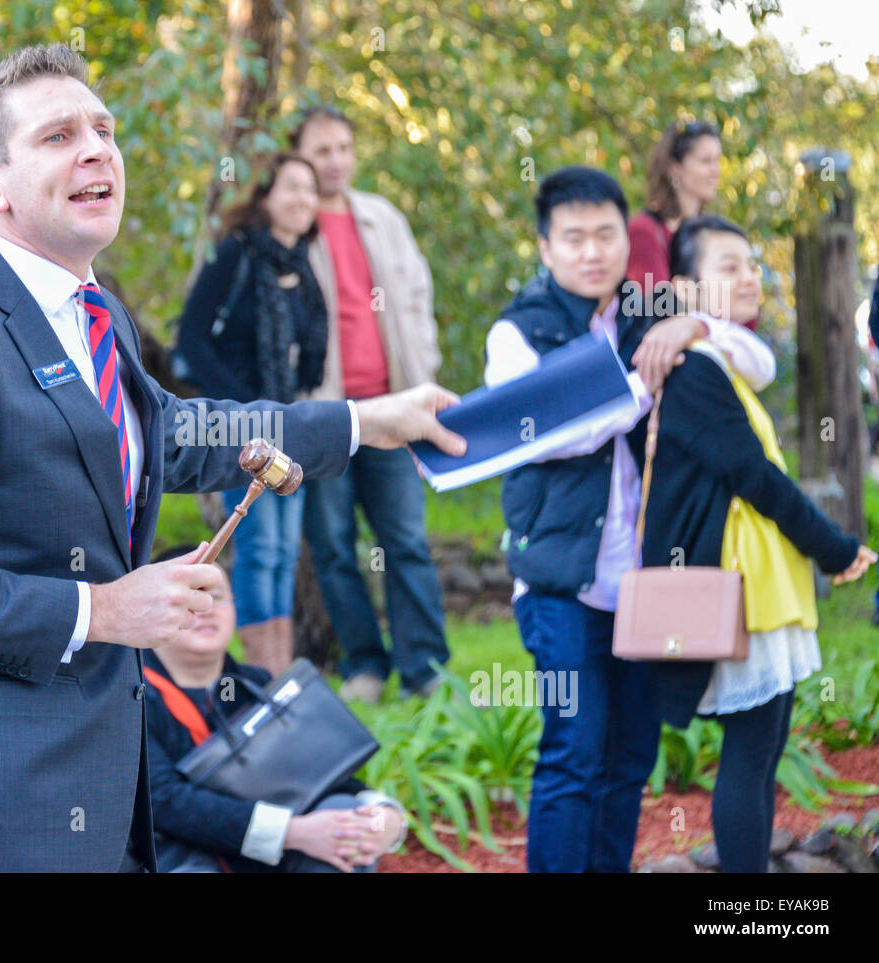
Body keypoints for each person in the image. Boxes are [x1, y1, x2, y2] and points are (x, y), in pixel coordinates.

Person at [0, 44, 466, 873]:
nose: (98, 148)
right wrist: (102, 611)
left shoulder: (100, 319)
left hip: (97, 808)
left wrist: (366, 420)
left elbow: (179, 434)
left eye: (104, 128)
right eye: (60, 136)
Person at [483, 166, 778, 873]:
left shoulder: (653, 307)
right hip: (562, 582)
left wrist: (696, 322)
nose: (592, 252)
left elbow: (757, 361)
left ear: (627, 237)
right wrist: (644, 385)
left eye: (606, 235)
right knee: (574, 752)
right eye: (574, 237)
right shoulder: (517, 331)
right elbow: (550, 431)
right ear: (546, 247)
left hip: (652, 584)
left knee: (630, 759)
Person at [641, 215, 875, 872]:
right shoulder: (693, 370)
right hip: (735, 590)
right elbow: (753, 474)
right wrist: (832, 545)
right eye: (728, 266)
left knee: (764, 750)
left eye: (751, 263)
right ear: (686, 289)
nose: (748, 276)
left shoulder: (725, 361)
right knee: (748, 758)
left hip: (762, 582)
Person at [290, 105, 450, 703]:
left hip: (394, 408)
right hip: (326, 415)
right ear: (300, 155)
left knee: (404, 538)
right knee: (333, 546)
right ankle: (364, 665)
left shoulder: (382, 217)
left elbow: (416, 296)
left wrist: (423, 375)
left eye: (342, 148)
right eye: (320, 150)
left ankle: (424, 668)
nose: (334, 161)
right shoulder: (294, 223)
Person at [143, 545, 406, 872]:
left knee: (343, 822)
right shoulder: (130, 694)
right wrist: (291, 832)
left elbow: (319, 774)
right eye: (190, 597)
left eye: (217, 596)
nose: (206, 609)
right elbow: (162, 800)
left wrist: (385, 817)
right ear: (155, 608)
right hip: (176, 854)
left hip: (261, 851)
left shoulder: (259, 685)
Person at [176, 152, 328, 676]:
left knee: (284, 552)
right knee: (260, 549)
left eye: (309, 190)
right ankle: (267, 677)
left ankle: (280, 678)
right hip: (241, 431)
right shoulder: (234, 255)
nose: (302, 199)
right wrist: (243, 407)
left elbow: (309, 353)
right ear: (264, 197)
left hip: (288, 428)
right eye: (290, 187)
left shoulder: (302, 268)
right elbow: (191, 341)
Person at [625, 120, 722, 291]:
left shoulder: (713, 233)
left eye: (717, 160)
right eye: (706, 161)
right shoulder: (645, 231)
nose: (716, 170)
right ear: (675, 168)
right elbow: (656, 307)